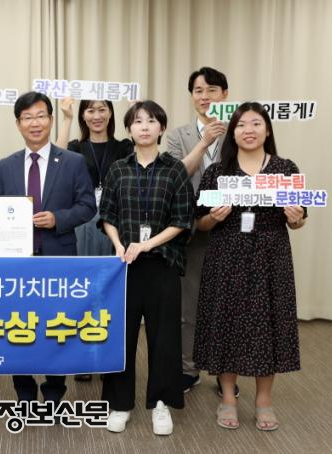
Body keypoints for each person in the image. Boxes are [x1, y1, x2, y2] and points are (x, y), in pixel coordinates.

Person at [193, 102, 306, 431]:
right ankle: (228, 398)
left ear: (267, 130)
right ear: (233, 132)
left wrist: (295, 218)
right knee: (226, 324)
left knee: (266, 327)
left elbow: (299, 221)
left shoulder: (285, 169)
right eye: (241, 125)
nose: (249, 130)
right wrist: (213, 218)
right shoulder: (218, 172)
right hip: (226, 255)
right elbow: (199, 223)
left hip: (271, 257)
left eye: (256, 123)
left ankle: (263, 401)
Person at [0, 91, 96, 405]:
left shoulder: (73, 162)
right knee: (18, 327)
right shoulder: (7, 166)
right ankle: (23, 392)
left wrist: (57, 219)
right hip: (17, 262)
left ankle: (53, 392)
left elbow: (88, 206)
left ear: (50, 120)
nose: (34, 123)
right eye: (27, 118)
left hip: (59, 258)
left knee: (56, 326)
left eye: (40, 116)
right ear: (18, 124)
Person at [99, 101, 193, 436]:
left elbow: (182, 220)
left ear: (161, 128)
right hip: (124, 266)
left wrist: (147, 244)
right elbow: (107, 215)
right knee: (120, 336)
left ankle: (161, 403)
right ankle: (120, 403)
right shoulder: (118, 169)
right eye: (137, 121)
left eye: (151, 121)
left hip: (162, 265)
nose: (144, 126)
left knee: (164, 337)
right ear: (129, 129)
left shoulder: (174, 170)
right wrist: (119, 244)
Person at [164, 67, 234, 395]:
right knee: (188, 306)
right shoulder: (178, 135)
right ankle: (188, 368)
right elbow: (174, 177)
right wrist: (204, 142)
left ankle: (226, 373)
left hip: (232, 231)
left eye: (212, 90)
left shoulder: (240, 130)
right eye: (198, 91)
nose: (204, 97)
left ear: (225, 94)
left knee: (229, 305)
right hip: (189, 230)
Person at [55, 98, 132, 381]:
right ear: (83, 115)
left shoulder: (124, 147)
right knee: (83, 289)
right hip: (83, 222)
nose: (97, 115)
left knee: (112, 291)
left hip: (116, 222)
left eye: (102, 109)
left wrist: (135, 110)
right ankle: (84, 358)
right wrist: (66, 118)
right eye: (90, 110)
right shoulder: (75, 147)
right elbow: (57, 159)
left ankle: (107, 357)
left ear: (111, 113)